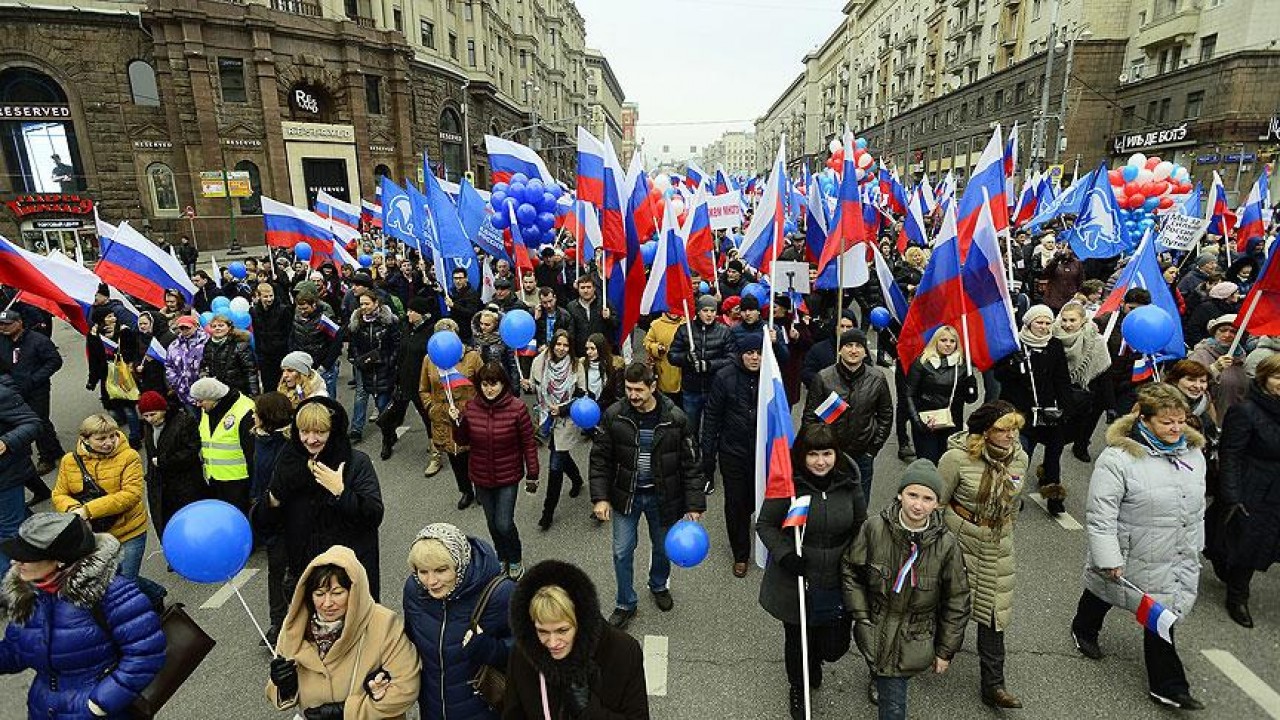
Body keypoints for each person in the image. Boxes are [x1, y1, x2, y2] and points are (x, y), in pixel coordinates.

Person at [1069, 383, 1207, 710]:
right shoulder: (1118, 459)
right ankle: (1084, 628)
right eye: (1167, 422)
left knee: (1159, 613)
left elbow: (1196, 506)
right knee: (1107, 592)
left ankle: (1166, 686)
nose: (1176, 428)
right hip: (1130, 550)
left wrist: (1196, 544)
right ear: (1144, 419)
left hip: (1174, 553)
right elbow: (1101, 513)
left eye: (1181, 421)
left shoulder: (1193, 454)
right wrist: (1107, 558)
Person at [841, 459, 972, 719]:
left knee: (893, 701)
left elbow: (957, 599)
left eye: (927, 498)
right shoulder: (873, 528)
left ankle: (880, 678)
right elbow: (851, 571)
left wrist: (945, 649)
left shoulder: (946, 545)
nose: (918, 505)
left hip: (916, 635)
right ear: (900, 494)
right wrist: (862, 616)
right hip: (875, 627)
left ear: (937, 503)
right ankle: (877, 676)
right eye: (912, 495)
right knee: (892, 702)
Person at [0, 513, 165, 718]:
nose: (15, 561)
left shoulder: (114, 594)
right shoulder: (27, 595)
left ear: (59, 560)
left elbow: (146, 654)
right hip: (44, 711)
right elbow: (15, 652)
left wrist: (98, 705)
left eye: (27, 556)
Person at [757, 424, 867, 718]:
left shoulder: (849, 481)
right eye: (813, 454)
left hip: (836, 577)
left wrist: (856, 558)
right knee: (797, 639)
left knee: (834, 646)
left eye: (827, 453)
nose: (821, 461)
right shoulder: (788, 486)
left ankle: (815, 658)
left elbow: (860, 523)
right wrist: (784, 554)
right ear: (801, 457)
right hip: (796, 578)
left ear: (837, 454)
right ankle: (798, 687)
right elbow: (765, 524)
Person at [589, 362, 705, 629]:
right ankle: (625, 603)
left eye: (638, 389)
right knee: (621, 551)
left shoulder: (676, 419)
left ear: (653, 386)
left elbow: (691, 464)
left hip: (663, 497)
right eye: (629, 389)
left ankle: (658, 584)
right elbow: (600, 460)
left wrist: (694, 505)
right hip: (625, 496)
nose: (633, 395)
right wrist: (600, 498)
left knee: (663, 548)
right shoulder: (614, 416)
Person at [937, 401, 1030, 708]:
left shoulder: (1020, 459)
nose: (1011, 436)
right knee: (950, 602)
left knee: (994, 613)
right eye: (1004, 430)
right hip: (960, 538)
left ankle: (993, 685)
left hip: (996, 543)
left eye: (1014, 429)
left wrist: (1002, 528)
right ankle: (936, 651)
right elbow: (938, 502)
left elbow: (1014, 505)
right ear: (985, 432)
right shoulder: (956, 458)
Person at [266, 545, 421, 719]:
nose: (327, 603)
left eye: (337, 593)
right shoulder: (295, 626)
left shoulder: (384, 624)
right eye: (319, 593)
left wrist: (346, 712)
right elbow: (276, 692)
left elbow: (407, 687)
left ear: (355, 592)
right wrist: (284, 686)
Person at [258, 397, 385, 601]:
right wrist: (272, 498)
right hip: (307, 573)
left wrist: (341, 493)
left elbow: (373, 515)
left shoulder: (355, 462)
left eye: (320, 432)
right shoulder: (288, 462)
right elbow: (266, 524)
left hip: (350, 575)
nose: (311, 439)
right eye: (304, 432)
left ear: (332, 432)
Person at [502, 560, 649, 719]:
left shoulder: (623, 651)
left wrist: (589, 712)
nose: (552, 643)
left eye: (562, 630)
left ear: (581, 622)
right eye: (542, 631)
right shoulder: (523, 654)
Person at [403, 523, 513, 720]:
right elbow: (407, 643)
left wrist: (489, 648)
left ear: (460, 563)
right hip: (433, 708)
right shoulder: (414, 589)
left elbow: (529, 652)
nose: (431, 581)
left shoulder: (500, 594)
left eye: (441, 570)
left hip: (483, 709)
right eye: (423, 571)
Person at [52, 413, 166, 604]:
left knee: (124, 585)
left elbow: (130, 495)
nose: (109, 442)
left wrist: (87, 510)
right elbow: (59, 494)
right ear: (84, 439)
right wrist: (73, 508)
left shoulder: (129, 457)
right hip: (97, 537)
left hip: (129, 532)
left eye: (113, 436)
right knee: (114, 579)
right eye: (101, 439)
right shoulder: (69, 461)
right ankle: (156, 593)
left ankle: (150, 607)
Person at [1207, 354, 1280, 629]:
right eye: (1277, 376)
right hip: (1250, 484)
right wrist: (1232, 495)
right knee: (1246, 541)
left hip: (1276, 489)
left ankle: (1223, 559)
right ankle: (1237, 596)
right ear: (1263, 378)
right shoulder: (1246, 410)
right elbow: (1231, 454)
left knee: (1262, 542)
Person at [452, 362, 539, 579]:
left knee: (504, 522)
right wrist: (457, 421)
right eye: (484, 384)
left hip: (508, 475)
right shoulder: (471, 407)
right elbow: (461, 440)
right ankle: (502, 556)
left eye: (494, 384)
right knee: (492, 523)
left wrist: (533, 473)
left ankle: (516, 558)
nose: (489, 389)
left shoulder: (517, 408)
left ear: (503, 384)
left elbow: (528, 442)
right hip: (481, 475)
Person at [994, 304, 1071, 515]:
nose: (1044, 327)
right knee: (1021, 455)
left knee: (1055, 452)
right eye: (1039, 322)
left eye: (1048, 323)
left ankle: (1054, 497)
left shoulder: (1054, 345)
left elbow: (1061, 378)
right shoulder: (1015, 344)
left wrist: (1066, 407)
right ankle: (1010, 495)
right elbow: (998, 375)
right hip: (1020, 411)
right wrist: (1011, 364)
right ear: (1029, 322)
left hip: (1048, 410)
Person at [802, 328, 893, 505]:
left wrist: (872, 450)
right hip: (829, 455)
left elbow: (885, 416)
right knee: (829, 504)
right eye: (848, 345)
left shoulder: (878, 378)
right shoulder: (823, 378)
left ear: (865, 351)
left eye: (858, 346)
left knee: (859, 505)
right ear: (840, 349)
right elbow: (810, 418)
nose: (853, 350)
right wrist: (817, 449)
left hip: (863, 455)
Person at [702, 333, 763, 577]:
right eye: (749, 352)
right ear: (741, 354)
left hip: (761, 453)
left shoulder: (770, 375)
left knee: (753, 500)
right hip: (733, 452)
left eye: (759, 352)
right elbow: (713, 416)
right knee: (735, 503)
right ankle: (741, 554)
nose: (754, 357)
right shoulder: (724, 377)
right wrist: (708, 452)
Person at [419, 318, 484, 509]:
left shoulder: (472, 358)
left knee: (475, 455)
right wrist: (432, 408)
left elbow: (483, 385)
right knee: (455, 458)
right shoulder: (430, 359)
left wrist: (473, 409)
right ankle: (465, 491)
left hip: (469, 416)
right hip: (444, 418)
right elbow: (423, 389)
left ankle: (481, 488)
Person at [669, 294, 737, 473]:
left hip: (715, 391)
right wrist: (686, 358)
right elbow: (672, 356)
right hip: (691, 390)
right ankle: (692, 462)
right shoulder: (685, 331)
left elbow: (732, 358)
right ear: (698, 312)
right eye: (705, 310)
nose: (709, 314)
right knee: (690, 429)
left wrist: (709, 365)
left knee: (711, 431)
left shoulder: (724, 331)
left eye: (712, 311)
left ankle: (709, 465)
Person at [529, 329, 587, 530]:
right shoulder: (541, 361)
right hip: (546, 418)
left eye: (566, 345)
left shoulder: (576, 365)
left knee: (555, 466)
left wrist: (562, 409)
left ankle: (547, 513)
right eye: (558, 344)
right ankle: (577, 479)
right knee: (559, 454)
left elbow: (581, 395)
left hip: (565, 422)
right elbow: (534, 383)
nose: (561, 349)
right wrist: (528, 385)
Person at [0, 309, 64, 479]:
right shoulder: (2, 342)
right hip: (13, 391)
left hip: (37, 390)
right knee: (34, 421)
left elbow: (55, 361)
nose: (3, 328)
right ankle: (56, 449)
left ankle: (47, 457)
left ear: (19, 322)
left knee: (37, 420)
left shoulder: (38, 340)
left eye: (7, 324)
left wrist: (35, 379)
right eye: (0, 325)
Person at [137, 390, 205, 539]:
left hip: (185, 485)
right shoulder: (148, 427)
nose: (150, 419)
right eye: (145, 416)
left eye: (153, 414)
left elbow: (191, 450)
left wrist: (164, 462)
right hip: (161, 487)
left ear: (163, 409)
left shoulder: (184, 422)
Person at [904, 325, 976, 464]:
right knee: (927, 465)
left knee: (947, 466)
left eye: (952, 341)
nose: (948, 344)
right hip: (927, 423)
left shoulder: (962, 365)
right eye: (943, 340)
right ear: (936, 341)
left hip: (952, 424)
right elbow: (909, 394)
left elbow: (971, 399)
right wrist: (916, 421)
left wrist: (971, 385)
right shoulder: (922, 363)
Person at [1053, 301, 1113, 463]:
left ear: (1083, 321)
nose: (1067, 325)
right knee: (1055, 438)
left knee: (1079, 428)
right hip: (1058, 392)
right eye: (1064, 320)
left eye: (1072, 320)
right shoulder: (1053, 336)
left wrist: (1109, 404)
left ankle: (1080, 446)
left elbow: (1103, 371)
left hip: (1085, 392)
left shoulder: (1096, 340)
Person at [378, 296, 436, 461]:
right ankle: (387, 441)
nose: (408, 314)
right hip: (402, 381)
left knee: (427, 417)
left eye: (412, 311)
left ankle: (435, 448)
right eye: (408, 310)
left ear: (422, 314)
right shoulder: (406, 328)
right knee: (390, 415)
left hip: (421, 383)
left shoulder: (430, 332)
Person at [191, 376, 256, 514]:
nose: (197, 405)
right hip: (214, 479)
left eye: (200, 401)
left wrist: (253, 490)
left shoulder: (245, 410)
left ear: (213, 397)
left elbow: (253, 454)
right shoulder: (208, 408)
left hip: (238, 483)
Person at [348, 289, 402, 443]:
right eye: (361, 304)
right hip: (366, 370)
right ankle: (357, 429)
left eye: (367, 303)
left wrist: (390, 361)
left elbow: (396, 344)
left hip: (385, 370)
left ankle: (387, 439)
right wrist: (359, 360)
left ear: (376, 303)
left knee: (383, 405)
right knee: (362, 395)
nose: (363, 307)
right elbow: (353, 345)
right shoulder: (357, 323)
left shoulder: (389, 322)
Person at [85, 308, 142, 448]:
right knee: (112, 408)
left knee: (128, 408)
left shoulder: (124, 332)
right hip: (106, 375)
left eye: (113, 316)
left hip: (122, 374)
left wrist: (124, 359)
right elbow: (94, 359)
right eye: (109, 316)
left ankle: (135, 436)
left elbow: (133, 350)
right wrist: (92, 380)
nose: (113, 318)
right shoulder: (93, 335)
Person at [0, 377, 43, 562]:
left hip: (6, 478)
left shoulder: (2, 394)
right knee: (29, 526)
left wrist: (6, 442)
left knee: (8, 536)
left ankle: (11, 587)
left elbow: (33, 424)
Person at [1189, 314, 1250, 413]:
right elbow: (1189, 383)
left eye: (1233, 332)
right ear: (1214, 333)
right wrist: (1215, 369)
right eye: (1223, 330)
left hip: (1235, 416)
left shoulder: (1241, 358)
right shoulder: (1201, 354)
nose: (1227, 335)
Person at [292, 292, 344, 400]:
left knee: (327, 400)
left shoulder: (323, 320)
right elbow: (292, 340)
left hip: (323, 368)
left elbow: (337, 339)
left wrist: (326, 364)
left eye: (305, 308)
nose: (302, 312)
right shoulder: (296, 319)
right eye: (300, 308)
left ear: (314, 306)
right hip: (304, 367)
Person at [199, 313, 260, 397]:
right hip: (218, 392)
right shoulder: (208, 345)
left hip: (238, 392)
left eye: (221, 325)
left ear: (229, 327)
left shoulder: (240, 345)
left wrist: (254, 394)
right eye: (214, 326)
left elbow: (250, 371)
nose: (217, 328)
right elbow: (204, 364)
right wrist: (205, 375)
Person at [251, 281, 295, 392]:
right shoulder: (254, 312)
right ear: (259, 296)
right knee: (269, 386)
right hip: (264, 356)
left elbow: (289, 332)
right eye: (265, 297)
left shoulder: (283, 310)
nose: (269, 299)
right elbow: (256, 334)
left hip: (281, 353)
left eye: (271, 296)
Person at [643, 310, 686, 407]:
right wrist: (656, 348)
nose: (673, 313)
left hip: (684, 373)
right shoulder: (656, 325)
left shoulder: (687, 323)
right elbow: (647, 343)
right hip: (665, 371)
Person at [565, 275, 616, 356]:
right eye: (582, 287)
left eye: (588, 287)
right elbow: (570, 331)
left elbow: (616, 324)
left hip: (601, 351)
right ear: (577, 289)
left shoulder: (604, 304)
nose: (586, 290)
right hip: (580, 352)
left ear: (594, 288)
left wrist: (609, 317)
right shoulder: (571, 307)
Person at [164, 315, 207, 407]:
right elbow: (168, 365)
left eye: (187, 327)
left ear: (196, 326)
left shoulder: (206, 341)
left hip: (205, 392)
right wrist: (176, 382)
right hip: (184, 392)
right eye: (181, 328)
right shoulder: (173, 345)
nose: (184, 330)